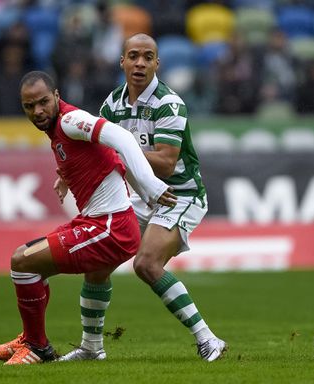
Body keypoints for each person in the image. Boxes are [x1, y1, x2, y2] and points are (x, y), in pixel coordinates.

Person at [0, 70, 176, 365]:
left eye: (43, 102)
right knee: (30, 264)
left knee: (22, 261)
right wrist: (65, 175)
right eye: (29, 106)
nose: (37, 111)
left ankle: (37, 346)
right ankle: (42, 341)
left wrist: (151, 186)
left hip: (111, 227)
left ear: (57, 97)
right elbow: (106, 157)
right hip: (96, 222)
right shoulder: (57, 129)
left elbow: (122, 138)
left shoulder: (69, 120)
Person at [60, 33, 227, 362]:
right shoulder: (112, 104)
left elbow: (165, 164)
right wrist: (65, 173)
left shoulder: (170, 104)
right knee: (96, 264)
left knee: (146, 264)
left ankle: (208, 339)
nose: (140, 63)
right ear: (121, 61)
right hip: (139, 197)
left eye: (147, 57)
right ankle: (92, 348)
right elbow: (95, 147)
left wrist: (121, 145)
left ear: (157, 64)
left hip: (179, 194)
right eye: (133, 55)